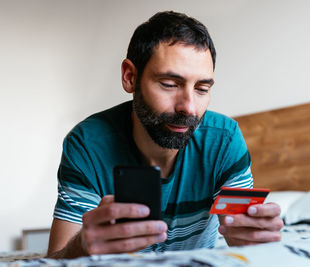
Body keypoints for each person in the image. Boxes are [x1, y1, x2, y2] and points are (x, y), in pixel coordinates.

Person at [47, 10, 283, 259]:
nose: (189, 108)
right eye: (170, 84)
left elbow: (240, 227)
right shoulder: (87, 145)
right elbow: (55, 259)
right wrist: (82, 245)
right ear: (130, 77)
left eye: (202, 88)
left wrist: (251, 236)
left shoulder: (224, 140)